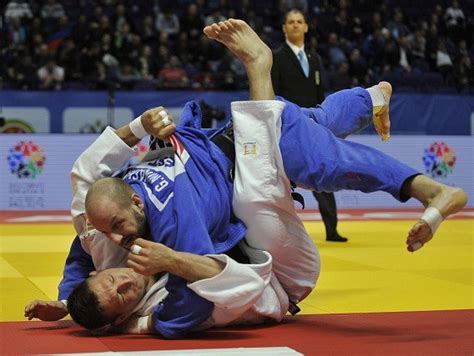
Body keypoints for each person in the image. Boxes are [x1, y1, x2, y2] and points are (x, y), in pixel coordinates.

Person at [26, 19, 467, 338]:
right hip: (264, 238)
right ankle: (421, 185)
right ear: (123, 317)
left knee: (298, 124)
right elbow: (209, 287)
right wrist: (164, 264)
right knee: (290, 160)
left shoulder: (112, 237)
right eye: (121, 294)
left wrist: (67, 302)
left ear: (133, 205)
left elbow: (84, 199)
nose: (118, 249)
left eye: (115, 228)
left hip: (218, 145)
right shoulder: (164, 260)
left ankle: (370, 98)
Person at [271, 9, 348, 242]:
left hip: (314, 125)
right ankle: (278, 235)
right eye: (290, 22)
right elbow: (272, 94)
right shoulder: (276, 57)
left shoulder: (314, 59)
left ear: (306, 27)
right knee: (283, 182)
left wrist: (327, 125)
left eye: (299, 22)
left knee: (322, 173)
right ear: (284, 28)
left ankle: (332, 229)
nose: (295, 25)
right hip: (288, 125)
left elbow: (320, 94)